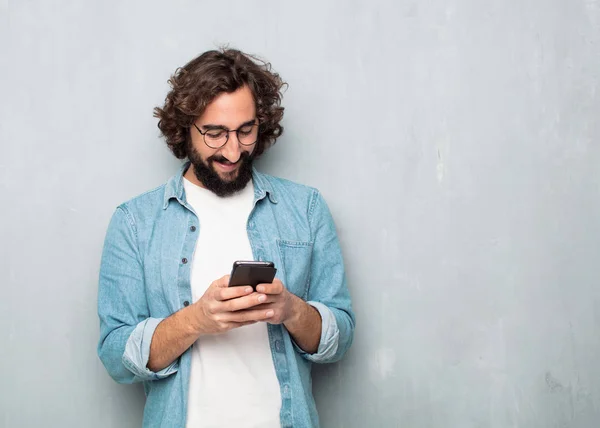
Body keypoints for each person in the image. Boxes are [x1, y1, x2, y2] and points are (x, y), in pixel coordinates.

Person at [97, 48, 355, 428]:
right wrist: (196, 320)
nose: (233, 150)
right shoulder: (135, 222)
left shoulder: (306, 208)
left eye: (245, 130)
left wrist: (291, 310)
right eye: (215, 133)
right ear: (185, 127)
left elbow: (341, 337)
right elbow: (116, 356)